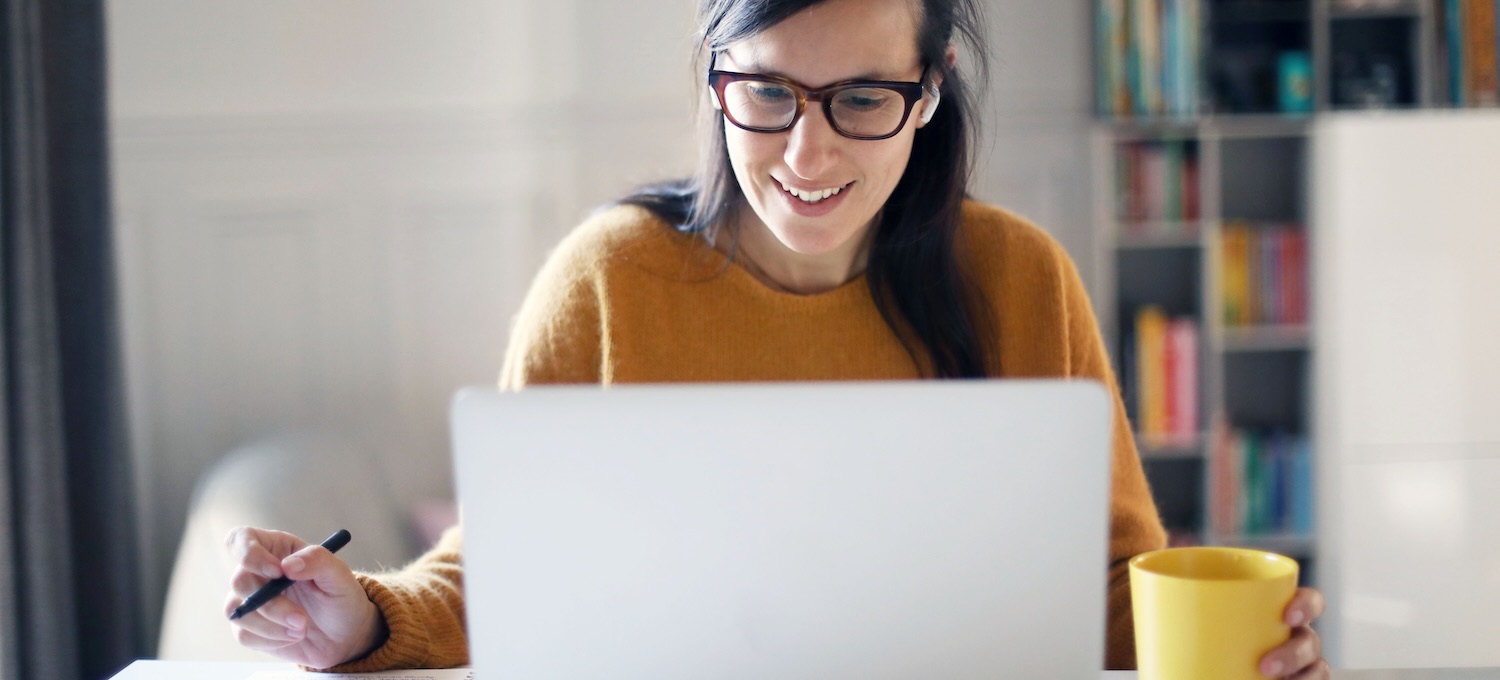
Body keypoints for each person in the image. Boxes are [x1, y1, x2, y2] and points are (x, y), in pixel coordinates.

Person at [224, 0, 1329, 676]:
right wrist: (364, 617)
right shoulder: (606, 279)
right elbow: (510, 572)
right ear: (715, 83)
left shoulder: (1021, 279)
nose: (806, 155)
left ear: (931, 91)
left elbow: (1111, 591)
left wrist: (1244, 651)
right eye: (765, 94)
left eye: (860, 98)